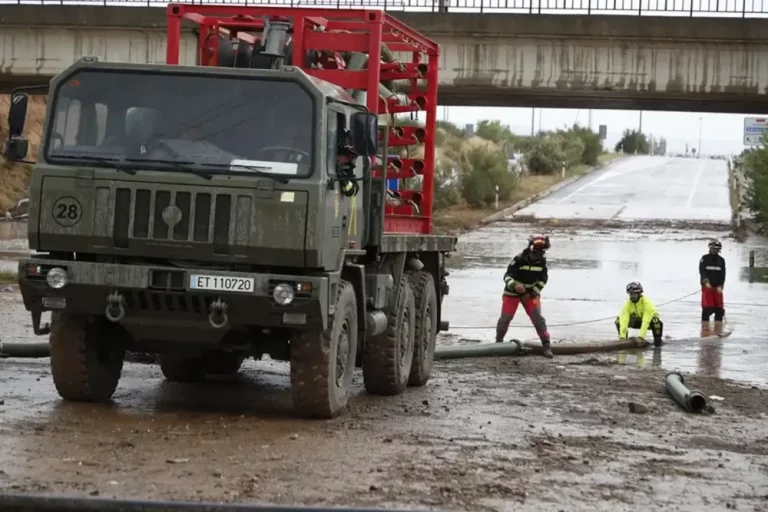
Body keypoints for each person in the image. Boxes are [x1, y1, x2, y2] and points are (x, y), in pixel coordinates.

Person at [495, 234, 553, 358]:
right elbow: (507, 276)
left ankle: (546, 346)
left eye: (541, 252)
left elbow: (543, 280)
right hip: (512, 293)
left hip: (530, 294)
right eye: (536, 252)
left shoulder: (542, 262)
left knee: (537, 318)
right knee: (505, 318)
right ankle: (498, 343)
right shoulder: (518, 259)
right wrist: (515, 286)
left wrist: (533, 293)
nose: (538, 255)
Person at [615, 281, 664, 347]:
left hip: (650, 323)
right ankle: (624, 341)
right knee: (618, 321)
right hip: (637, 322)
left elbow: (646, 321)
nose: (632, 296)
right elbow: (624, 321)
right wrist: (622, 338)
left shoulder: (647, 303)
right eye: (631, 294)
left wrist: (641, 337)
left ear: (639, 294)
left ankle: (658, 344)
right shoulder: (627, 304)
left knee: (656, 321)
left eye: (634, 294)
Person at [699, 239, 726, 336]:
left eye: (716, 248)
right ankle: (705, 331)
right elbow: (702, 272)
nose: (714, 250)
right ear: (709, 248)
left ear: (719, 249)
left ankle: (718, 331)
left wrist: (720, 286)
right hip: (707, 288)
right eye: (712, 248)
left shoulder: (721, 260)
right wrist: (706, 282)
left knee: (719, 310)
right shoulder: (704, 259)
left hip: (717, 288)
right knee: (708, 309)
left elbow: (723, 275)